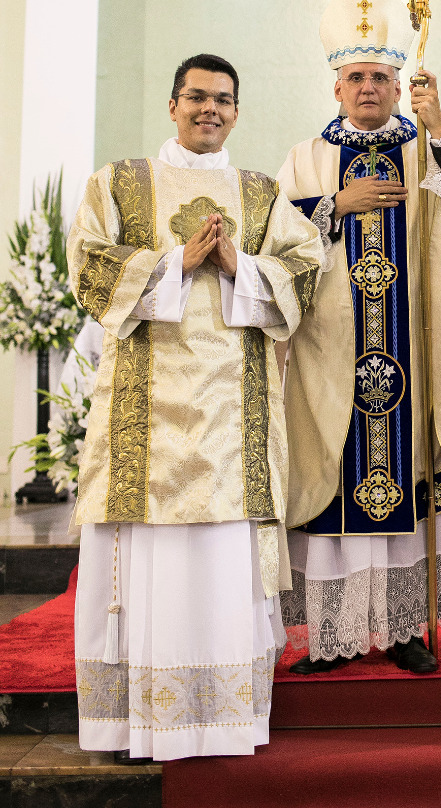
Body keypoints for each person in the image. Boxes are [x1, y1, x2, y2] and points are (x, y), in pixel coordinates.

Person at [68, 53, 325, 760]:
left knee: (216, 562)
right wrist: (176, 264)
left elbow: (307, 273)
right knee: (152, 557)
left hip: (230, 420)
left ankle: (223, 718)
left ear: (236, 112)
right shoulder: (118, 182)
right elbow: (88, 269)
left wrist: (239, 265)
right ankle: (136, 721)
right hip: (142, 420)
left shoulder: (263, 193)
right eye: (196, 98)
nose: (209, 109)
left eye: (222, 100)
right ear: (173, 105)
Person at [277, 0, 441, 673]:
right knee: (331, 484)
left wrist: (440, 133)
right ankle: (335, 634)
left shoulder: (424, 149)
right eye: (357, 77)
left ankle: (404, 629)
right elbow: (270, 246)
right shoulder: (304, 158)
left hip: (414, 349)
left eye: (380, 75)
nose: (369, 87)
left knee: (413, 476)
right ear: (336, 86)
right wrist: (334, 207)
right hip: (329, 358)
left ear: (398, 82)